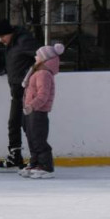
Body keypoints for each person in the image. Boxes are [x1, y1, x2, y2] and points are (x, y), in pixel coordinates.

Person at [0, 18, 40, 172]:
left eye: (2, 37)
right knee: (13, 123)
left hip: (28, 92)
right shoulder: (12, 43)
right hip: (17, 91)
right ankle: (15, 156)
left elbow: (42, 57)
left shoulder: (24, 40)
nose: (1, 41)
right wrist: (8, 70)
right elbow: (17, 59)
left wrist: (30, 76)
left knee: (29, 126)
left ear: (9, 32)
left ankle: (36, 159)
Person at [18, 42, 64, 179]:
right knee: (32, 137)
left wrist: (32, 106)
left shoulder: (43, 74)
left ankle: (46, 166)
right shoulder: (37, 72)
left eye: (38, 57)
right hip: (30, 110)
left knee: (38, 139)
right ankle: (35, 162)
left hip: (37, 111)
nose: (35, 58)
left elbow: (43, 95)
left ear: (45, 59)